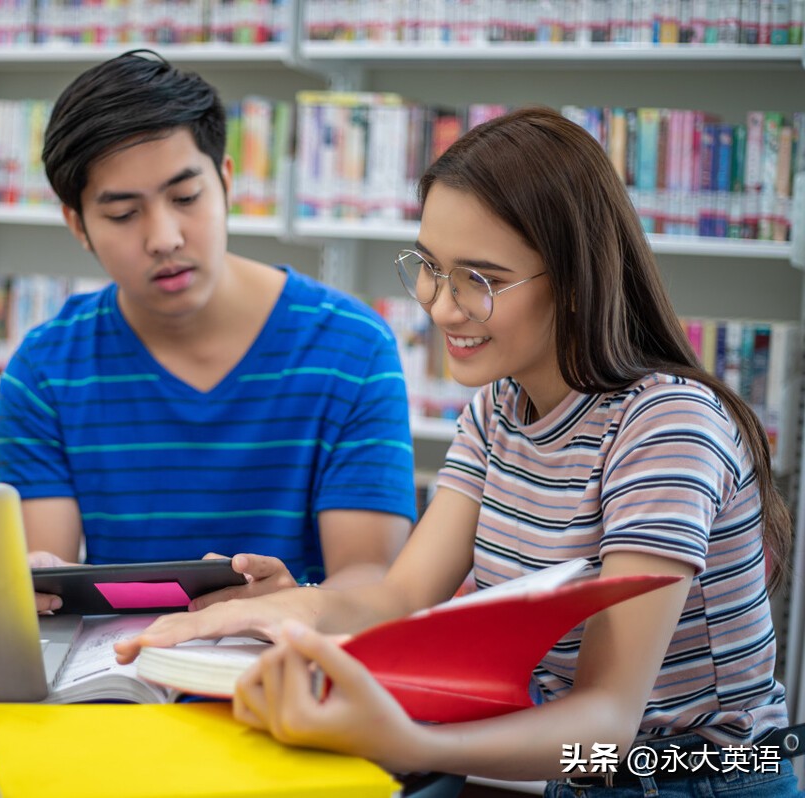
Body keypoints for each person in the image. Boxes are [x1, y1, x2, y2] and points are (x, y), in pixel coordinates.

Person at [116, 106, 800, 796]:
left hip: (704, 780)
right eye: (431, 268)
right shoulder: (498, 410)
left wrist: (410, 743)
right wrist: (285, 608)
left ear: (574, 282)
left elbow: (607, 724)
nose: (441, 308)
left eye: (481, 279)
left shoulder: (667, 425)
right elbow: (401, 597)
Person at [0, 50, 418, 610]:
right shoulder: (44, 370)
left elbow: (369, 577)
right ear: (78, 224)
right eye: (123, 214)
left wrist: (291, 604)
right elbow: (50, 577)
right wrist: (32, 578)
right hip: (122, 660)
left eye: (186, 197)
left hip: (292, 654)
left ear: (226, 182)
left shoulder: (353, 348)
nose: (164, 237)